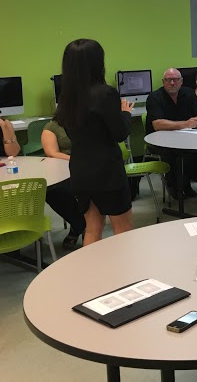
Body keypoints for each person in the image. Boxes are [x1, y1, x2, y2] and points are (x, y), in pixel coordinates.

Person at [55, 39, 133, 246]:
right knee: (123, 230)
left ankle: (91, 267)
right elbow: (120, 133)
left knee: (92, 228)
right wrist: (126, 113)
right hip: (107, 171)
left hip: (80, 170)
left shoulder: (66, 97)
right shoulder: (105, 93)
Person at [146, 68, 197, 200]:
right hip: (159, 141)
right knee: (176, 153)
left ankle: (186, 181)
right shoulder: (154, 97)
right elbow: (157, 124)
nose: (172, 83)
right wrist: (186, 124)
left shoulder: (189, 93)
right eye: (169, 80)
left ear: (181, 81)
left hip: (186, 138)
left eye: (175, 80)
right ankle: (173, 184)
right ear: (163, 81)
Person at [40, 119, 87, 250]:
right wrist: (76, 160)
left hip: (87, 166)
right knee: (53, 191)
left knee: (90, 187)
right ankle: (80, 224)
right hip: (63, 168)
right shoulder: (52, 127)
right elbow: (52, 153)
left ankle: (80, 226)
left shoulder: (86, 121)